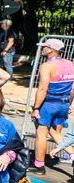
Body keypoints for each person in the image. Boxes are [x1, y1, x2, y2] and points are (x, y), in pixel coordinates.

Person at [30, 38, 74, 170]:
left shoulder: (47, 66)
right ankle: (73, 154)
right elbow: (72, 89)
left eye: (44, 46)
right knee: (55, 132)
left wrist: (36, 108)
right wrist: (69, 104)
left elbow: (42, 89)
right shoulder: (70, 64)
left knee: (41, 133)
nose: (42, 48)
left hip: (48, 104)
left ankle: (39, 165)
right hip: (63, 102)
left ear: (51, 50)